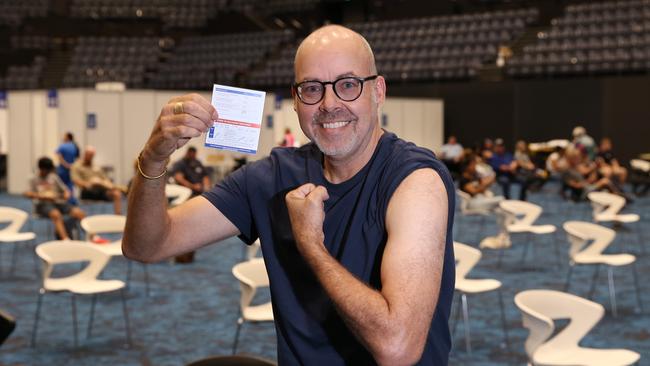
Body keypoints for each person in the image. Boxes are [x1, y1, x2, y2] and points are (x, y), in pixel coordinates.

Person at [123, 25, 455, 365]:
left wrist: (310, 243)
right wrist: (153, 158)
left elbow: (397, 348)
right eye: (312, 89)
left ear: (378, 91)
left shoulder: (416, 182)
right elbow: (146, 246)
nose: (329, 104)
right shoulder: (271, 178)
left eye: (348, 85)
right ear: (295, 100)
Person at [24, 157, 85, 240]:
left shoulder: (53, 177)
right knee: (56, 214)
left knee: (79, 213)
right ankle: (65, 240)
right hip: (42, 204)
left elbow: (65, 189)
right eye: (48, 170)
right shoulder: (32, 178)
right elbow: (27, 193)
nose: (49, 172)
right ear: (42, 169)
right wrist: (42, 196)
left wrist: (67, 194)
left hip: (58, 202)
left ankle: (92, 237)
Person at [170, 146, 210, 263]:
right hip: (186, 193)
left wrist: (207, 187)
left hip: (200, 192)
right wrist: (192, 187)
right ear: (187, 153)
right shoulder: (180, 164)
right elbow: (179, 178)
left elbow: (205, 176)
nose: (192, 156)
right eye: (191, 154)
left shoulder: (198, 163)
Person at [71, 146, 124, 214]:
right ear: (85, 154)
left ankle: (118, 215)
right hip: (87, 190)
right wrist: (89, 183)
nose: (90, 157)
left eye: (92, 156)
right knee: (95, 181)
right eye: (89, 155)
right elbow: (76, 181)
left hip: (101, 189)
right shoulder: (77, 166)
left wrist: (103, 183)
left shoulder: (96, 166)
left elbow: (105, 179)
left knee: (116, 194)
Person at [55, 132, 80, 204]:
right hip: (72, 169)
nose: (63, 138)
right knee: (70, 184)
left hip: (63, 169)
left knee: (61, 184)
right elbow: (78, 158)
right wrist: (72, 166)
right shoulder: (75, 146)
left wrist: (66, 165)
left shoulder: (62, 146)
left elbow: (59, 157)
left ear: (68, 137)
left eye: (64, 136)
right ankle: (71, 200)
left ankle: (62, 199)